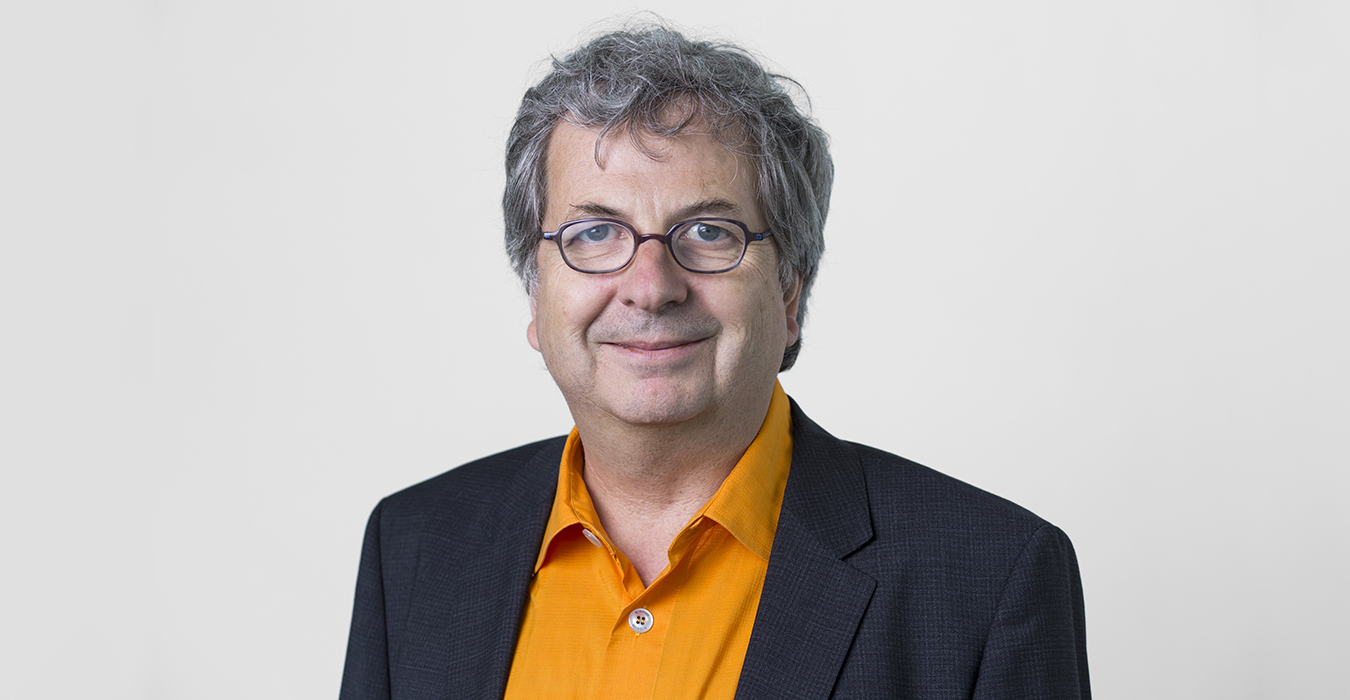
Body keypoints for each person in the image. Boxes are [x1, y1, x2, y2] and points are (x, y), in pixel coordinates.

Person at [337, 24, 1088, 700]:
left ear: (789, 293)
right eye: (594, 233)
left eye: (708, 232)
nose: (651, 287)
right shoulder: (413, 548)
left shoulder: (991, 581)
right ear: (535, 293)